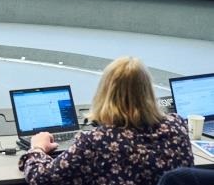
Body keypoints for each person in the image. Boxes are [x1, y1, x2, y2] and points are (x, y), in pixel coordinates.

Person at [19, 56, 193, 184]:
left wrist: (37, 148)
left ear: (105, 92)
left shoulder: (96, 141)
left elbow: (41, 178)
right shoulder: (177, 125)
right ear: (148, 91)